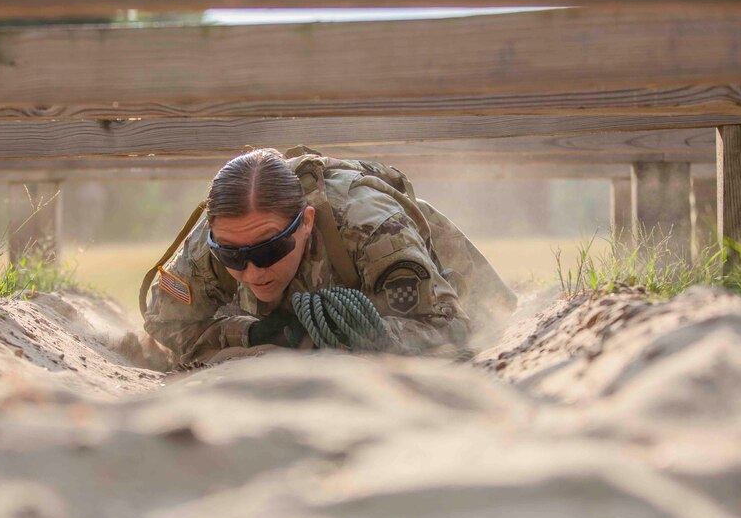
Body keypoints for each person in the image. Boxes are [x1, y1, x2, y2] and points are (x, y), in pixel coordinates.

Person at [142, 147, 515, 368]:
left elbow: (451, 325)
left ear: (305, 223)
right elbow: (165, 321)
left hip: (451, 284)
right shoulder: (209, 246)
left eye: (269, 249)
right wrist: (252, 332)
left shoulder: (371, 230)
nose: (253, 271)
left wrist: (361, 334)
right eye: (232, 256)